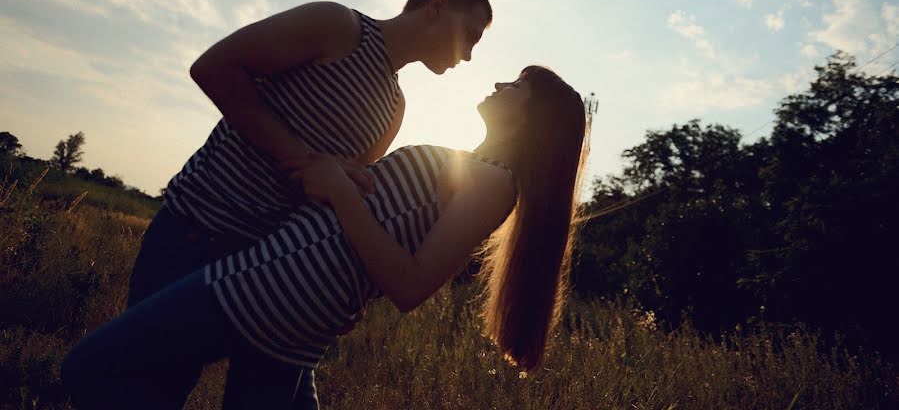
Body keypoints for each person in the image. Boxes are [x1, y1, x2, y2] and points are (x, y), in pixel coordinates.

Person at [62, 66, 589, 409]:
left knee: (90, 364)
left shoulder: (495, 182)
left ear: (530, 120)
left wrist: (340, 189)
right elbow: (377, 222)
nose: (500, 84)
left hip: (275, 290)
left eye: (517, 86)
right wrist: (341, 179)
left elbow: (409, 285)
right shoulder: (476, 165)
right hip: (289, 289)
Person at [126, 0, 492, 407]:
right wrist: (299, 155)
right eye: (470, 35)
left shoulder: (394, 109)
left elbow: (326, 196)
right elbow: (213, 68)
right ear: (437, 6)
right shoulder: (338, 27)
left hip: (264, 278)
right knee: (144, 395)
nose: (468, 55)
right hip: (194, 235)